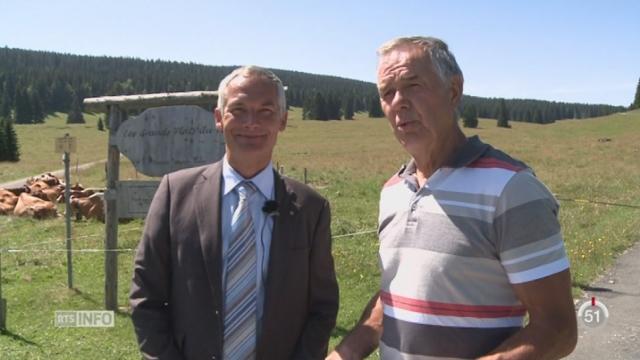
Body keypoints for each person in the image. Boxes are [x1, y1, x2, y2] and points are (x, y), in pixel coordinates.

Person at [327, 36, 577, 359]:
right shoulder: (392, 191)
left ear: (454, 90)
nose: (399, 102)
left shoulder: (511, 189)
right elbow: (394, 296)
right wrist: (343, 354)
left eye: (412, 85)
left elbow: (558, 328)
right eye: (387, 93)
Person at [130, 65, 339, 360]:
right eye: (238, 109)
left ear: (283, 120)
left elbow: (322, 306)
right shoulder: (174, 193)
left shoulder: (310, 208)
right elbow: (146, 297)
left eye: (266, 111)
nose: (251, 123)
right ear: (219, 118)